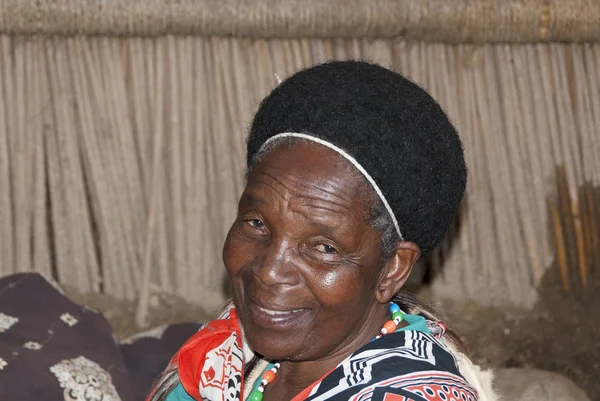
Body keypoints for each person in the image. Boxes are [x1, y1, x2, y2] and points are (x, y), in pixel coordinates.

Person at [147, 60, 498, 401]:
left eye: (324, 247)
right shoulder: (228, 353)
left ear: (393, 267)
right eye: (257, 223)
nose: (269, 271)